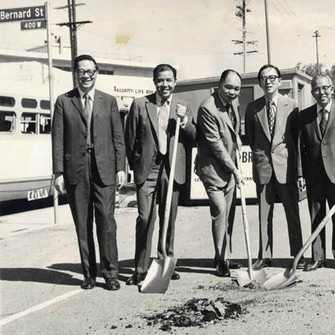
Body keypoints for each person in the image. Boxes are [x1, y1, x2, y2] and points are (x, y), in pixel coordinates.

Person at [52, 54, 126, 290]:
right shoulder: (64, 101)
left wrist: (121, 168)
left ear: (97, 73)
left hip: (105, 169)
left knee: (106, 221)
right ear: (75, 73)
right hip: (76, 170)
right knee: (83, 224)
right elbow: (58, 140)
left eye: (91, 71)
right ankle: (89, 275)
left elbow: (118, 138)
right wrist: (58, 172)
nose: (87, 76)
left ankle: (111, 274)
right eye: (82, 71)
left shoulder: (109, 101)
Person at [124, 64, 196, 286]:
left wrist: (184, 123)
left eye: (169, 80)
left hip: (172, 168)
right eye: (160, 80)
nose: (165, 84)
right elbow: (129, 139)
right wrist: (136, 165)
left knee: (168, 217)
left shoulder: (183, 106)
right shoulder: (140, 105)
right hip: (148, 169)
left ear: (175, 81)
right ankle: (141, 268)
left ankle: (166, 261)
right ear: (154, 82)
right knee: (145, 217)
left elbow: (194, 136)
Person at [245, 64, 305, 270]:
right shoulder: (252, 108)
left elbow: (296, 141)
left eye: (272, 77)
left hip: (286, 167)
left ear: (280, 81)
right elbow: (252, 140)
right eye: (263, 78)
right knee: (264, 214)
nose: (268, 81)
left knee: (292, 212)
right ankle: (264, 256)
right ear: (260, 82)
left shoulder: (293, 105)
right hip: (263, 168)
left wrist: (298, 172)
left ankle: (298, 254)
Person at [299, 74, 335, 272]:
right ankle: (318, 257)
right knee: (316, 216)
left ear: (332, 89)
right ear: (312, 91)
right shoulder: (304, 116)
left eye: (325, 88)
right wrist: (300, 174)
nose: (321, 92)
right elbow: (300, 147)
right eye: (316, 89)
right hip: (313, 174)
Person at [196, 69, 244, 277]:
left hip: (230, 168)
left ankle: (223, 255)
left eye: (237, 88)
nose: (233, 92)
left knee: (229, 214)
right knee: (220, 211)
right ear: (219, 85)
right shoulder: (207, 108)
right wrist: (234, 169)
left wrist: (238, 139)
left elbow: (232, 129)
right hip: (213, 170)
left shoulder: (233, 103)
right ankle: (220, 261)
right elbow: (215, 144)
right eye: (229, 87)